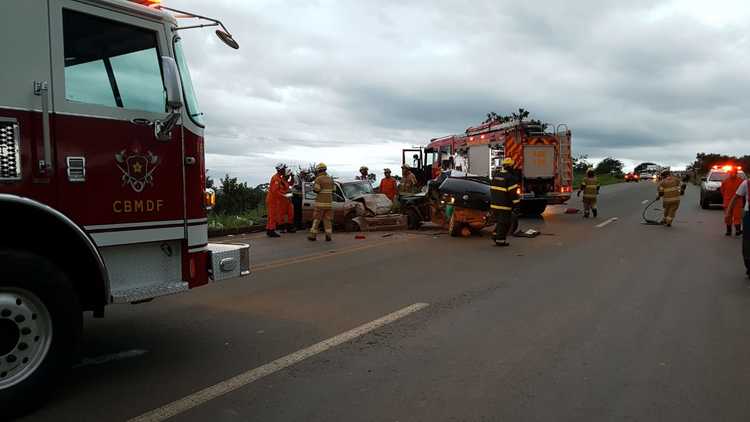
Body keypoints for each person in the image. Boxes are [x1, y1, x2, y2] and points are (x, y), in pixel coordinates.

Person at [490, 157, 521, 247]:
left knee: (500, 222)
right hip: (504, 205)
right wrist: (517, 204)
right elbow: (513, 194)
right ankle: (500, 241)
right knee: (505, 223)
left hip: (494, 204)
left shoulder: (497, 175)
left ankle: (495, 235)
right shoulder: (510, 178)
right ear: (511, 166)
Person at [727, 177, 749, 278]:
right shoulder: (746, 183)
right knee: (747, 243)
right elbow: (735, 197)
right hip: (748, 215)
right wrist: (728, 212)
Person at [308, 163, 334, 242]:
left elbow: (317, 190)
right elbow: (334, 190)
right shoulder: (330, 179)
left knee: (317, 219)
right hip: (329, 203)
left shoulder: (318, 179)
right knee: (327, 220)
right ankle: (328, 236)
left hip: (320, 203)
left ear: (318, 170)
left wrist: (313, 188)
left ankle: (312, 236)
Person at [265, 163, 288, 237]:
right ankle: (271, 230)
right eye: (284, 169)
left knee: (271, 216)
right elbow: (275, 191)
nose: (285, 170)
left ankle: (269, 230)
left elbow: (280, 189)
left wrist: (285, 193)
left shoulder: (279, 178)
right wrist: (284, 195)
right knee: (272, 216)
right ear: (280, 169)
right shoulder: (276, 178)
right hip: (273, 200)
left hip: (275, 200)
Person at [720, 168, 743, 236]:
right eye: (731, 172)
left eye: (734, 172)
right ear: (729, 173)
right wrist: (726, 197)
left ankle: (738, 230)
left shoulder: (741, 181)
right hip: (727, 202)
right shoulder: (725, 181)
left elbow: (744, 191)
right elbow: (722, 191)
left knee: (737, 216)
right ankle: (728, 231)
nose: (733, 174)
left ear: (736, 173)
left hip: (737, 202)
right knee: (728, 217)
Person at [277, 168, 296, 233]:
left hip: (288, 200)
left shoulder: (286, 181)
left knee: (291, 214)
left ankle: (289, 227)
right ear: (285, 175)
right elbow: (281, 191)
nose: (289, 177)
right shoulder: (281, 181)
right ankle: (282, 228)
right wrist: (287, 192)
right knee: (281, 214)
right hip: (282, 200)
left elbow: (291, 183)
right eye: (288, 176)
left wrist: (292, 176)